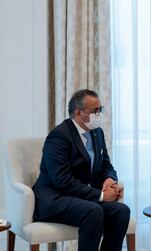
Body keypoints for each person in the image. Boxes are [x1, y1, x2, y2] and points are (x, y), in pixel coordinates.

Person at [33, 89, 130, 251]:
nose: (99, 114)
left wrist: (109, 180)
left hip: (81, 198)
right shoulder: (59, 136)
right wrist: (101, 195)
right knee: (93, 211)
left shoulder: (97, 133)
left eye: (100, 109)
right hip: (55, 198)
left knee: (121, 211)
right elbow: (62, 181)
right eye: (95, 111)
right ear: (79, 113)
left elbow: (107, 166)